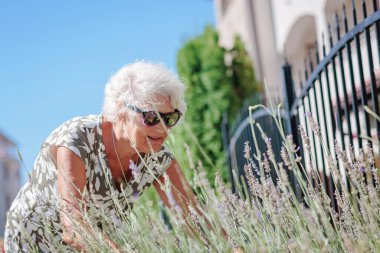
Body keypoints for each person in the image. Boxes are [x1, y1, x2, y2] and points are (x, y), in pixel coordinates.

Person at [4, 61, 198, 252]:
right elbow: (74, 228)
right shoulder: (76, 140)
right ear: (122, 109)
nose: (163, 128)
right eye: (151, 117)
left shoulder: (158, 157)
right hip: (32, 242)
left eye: (170, 118)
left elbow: (196, 221)